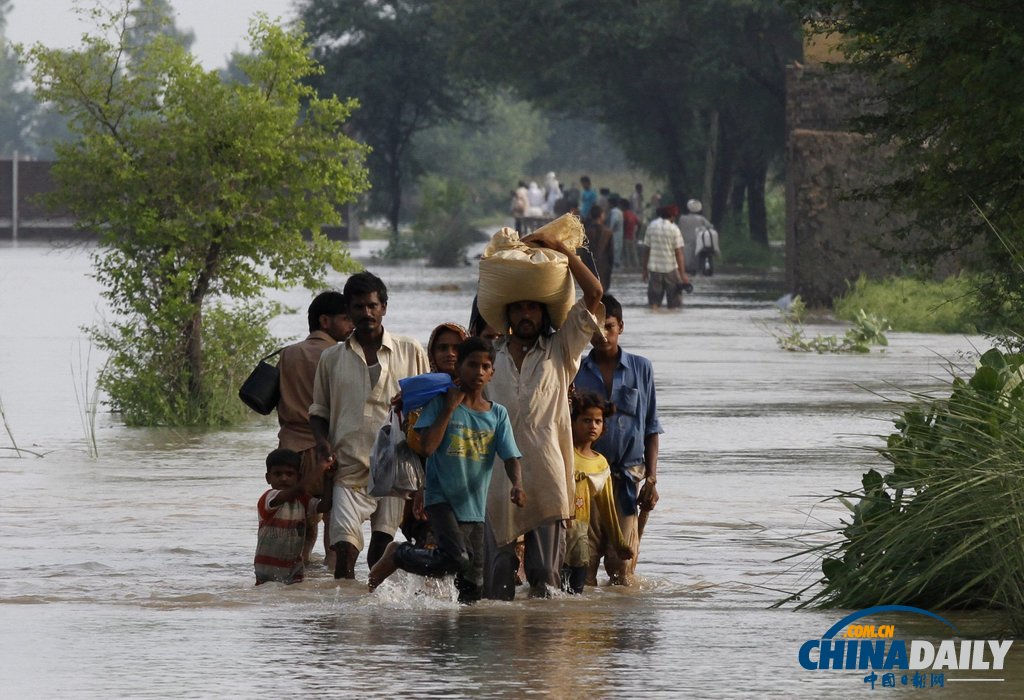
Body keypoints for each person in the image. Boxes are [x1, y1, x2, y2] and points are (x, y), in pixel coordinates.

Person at [482, 225, 605, 599]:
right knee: (496, 580)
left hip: (549, 474)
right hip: (498, 477)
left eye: (532, 307)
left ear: (542, 312)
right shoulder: (490, 358)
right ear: (507, 312)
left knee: (544, 580)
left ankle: (543, 653)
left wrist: (559, 248)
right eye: (518, 307)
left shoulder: (561, 350)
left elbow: (596, 293)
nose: (525, 314)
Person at [368, 337, 526, 603]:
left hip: (474, 506)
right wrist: (451, 407)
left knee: (473, 586)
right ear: (459, 368)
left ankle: (458, 637)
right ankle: (398, 554)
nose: (478, 372)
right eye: (472, 365)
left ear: (492, 373)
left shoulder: (497, 414)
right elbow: (428, 447)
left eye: (484, 366)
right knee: (456, 558)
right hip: (441, 500)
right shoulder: (440, 404)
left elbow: (510, 456)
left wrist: (517, 485)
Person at [310, 271, 430, 579]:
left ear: (384, 307)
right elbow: (319, 411)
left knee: (382, 544)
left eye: (373, 306)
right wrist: (323, 446)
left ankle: (375, 616)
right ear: (348, 311)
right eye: (359, 307)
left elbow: (428, 408)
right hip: (347, 464)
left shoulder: (410, 350)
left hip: (395, 466)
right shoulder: (332, 358)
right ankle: (345, 611)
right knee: (345, 548)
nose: (367, 313)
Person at [573, 294, 662, 585]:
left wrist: (652, 480)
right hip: (584, 483)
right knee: (581, 571)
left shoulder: (641, 368)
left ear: (620, 327)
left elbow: (650, 428)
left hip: (626, 483)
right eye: (595, 328)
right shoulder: (574, 371)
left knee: (622, 573)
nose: (601, 335)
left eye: (608, 326)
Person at [276, 291, 352, 568]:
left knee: (300, 522)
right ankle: (334, 582)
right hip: (328, 447)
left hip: (290, 449)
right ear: (325, 320)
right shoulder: (340, 355)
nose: (352, 324)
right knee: (335, 519)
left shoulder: (288, 354)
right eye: (345, 319)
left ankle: (299, 577)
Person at [400, 322, 470, 547]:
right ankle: (397, 556)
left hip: (472, 488)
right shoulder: (419, 394)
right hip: (430, 487)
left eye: (456, 348)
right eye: (442, 348)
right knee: (433, 560)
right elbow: (419, 449)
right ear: (432, 352)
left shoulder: (481, 392)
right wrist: (423, 487)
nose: (449, 354)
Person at [562, 391, 633, 594]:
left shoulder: (600, 462)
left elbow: (607, 506)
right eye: (586, 420)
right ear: (572, 422)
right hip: (558, 530)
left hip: (580, 534)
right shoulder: (564, 452)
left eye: (597, 421)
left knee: (576, 590)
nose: (592, 426)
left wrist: (619, 542)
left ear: (603, 427)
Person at [255, 448, 334, 585]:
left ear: (298, 477)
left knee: (294, 598)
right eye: (278, 474)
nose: (284, 478)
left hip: (294, 569)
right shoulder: (269, 497)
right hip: (267, 569)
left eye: (289, 474)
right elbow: (299, 489)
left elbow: (325, 507)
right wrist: (321, 466)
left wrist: (328, 478)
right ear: (268, 478)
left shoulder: (303, 500)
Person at [642, 205, 691, 309]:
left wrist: (644, 270)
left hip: (654, 269)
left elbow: (646, 250)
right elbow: (679, 253)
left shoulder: (651, 226)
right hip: (671, 270)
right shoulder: (674, 229)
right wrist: (683, 274)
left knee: (654, 304)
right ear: (672, 216)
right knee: (674, 305)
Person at [677, 199, 719, 276]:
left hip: (685, 243)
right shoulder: (701, 219)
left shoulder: (682, 218)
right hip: (698, 243)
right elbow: (710, 226)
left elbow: (678, 229)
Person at [585, 204, 614, 291]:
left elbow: (583, 253)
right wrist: (610, 269)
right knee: (602, 293)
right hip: (603, 268)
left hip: (589, 268)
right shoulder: (608, 232)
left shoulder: (586, 232)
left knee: (590, 294)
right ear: (601, 215)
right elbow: (611, 254)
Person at [621, 198, 640, 271]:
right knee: (634, 253)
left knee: (627, 254)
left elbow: (625, 223)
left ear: (623, 206)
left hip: (626, 237)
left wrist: (624, 230)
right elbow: (639, 223)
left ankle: (629, 269)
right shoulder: (632, 214)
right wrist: (637, 233)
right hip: (632, 236)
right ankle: (636, 268)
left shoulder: (624, 214)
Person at [606, 196, 624, 270]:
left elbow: (614, 221)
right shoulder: (619, 211)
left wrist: (610, 230)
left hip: (615, 233)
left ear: (611, 203)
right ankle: (617, 264)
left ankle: (615, 265)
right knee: (617, 249)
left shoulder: (614, 211)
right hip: (619, 233)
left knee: (615, 249)